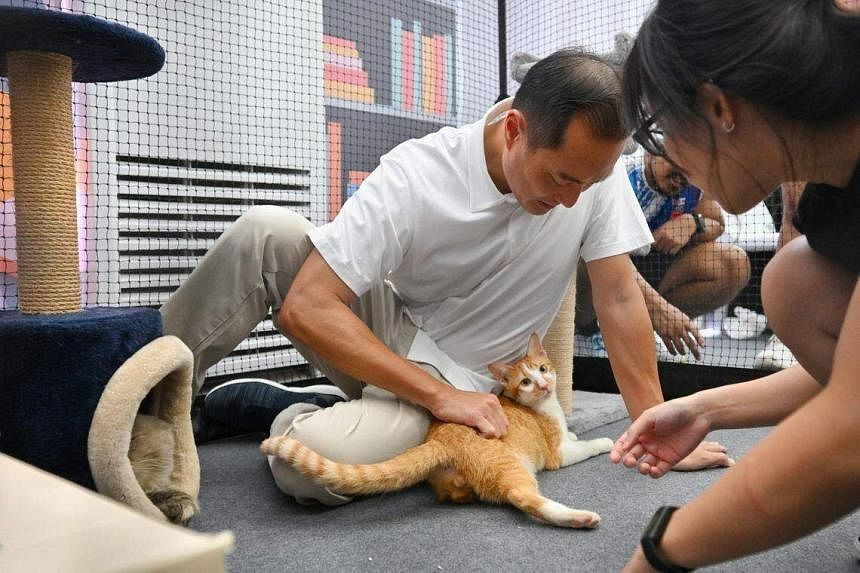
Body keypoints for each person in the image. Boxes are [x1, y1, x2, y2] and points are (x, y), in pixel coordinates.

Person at [162, 49, 729, 506]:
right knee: (266, 230)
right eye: (560, 179)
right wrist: (440, 396)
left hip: (479, 381)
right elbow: (307, 307)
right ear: (514, 130)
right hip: (400, 341)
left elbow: (619, 298)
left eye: (587, 184)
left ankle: (291, 406)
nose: (571, 201)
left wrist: (655, 425)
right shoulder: (416, 174)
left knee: (308, 473)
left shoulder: (589, 177)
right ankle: (144, 398)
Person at [610, 1, 860, 570]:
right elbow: (849, 376)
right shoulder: (836, 188)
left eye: (666, 126)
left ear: (720, 107)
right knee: (797, 282)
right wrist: (705, 409)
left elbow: (852, 428)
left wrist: (657, 554)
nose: (667, 153)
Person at [576, 152, 750, 358]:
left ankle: (637, 332)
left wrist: (694, 222)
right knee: (592, 253)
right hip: (599, 272)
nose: (682, 178)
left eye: (689, 172)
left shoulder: (697, 179)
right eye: (677, 165)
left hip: (655, 266)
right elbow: (601, 247)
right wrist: (660, 308)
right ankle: (591, 331)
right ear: (652, 150)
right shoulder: (619, 172)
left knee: (734, 263)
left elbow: (717, 222)